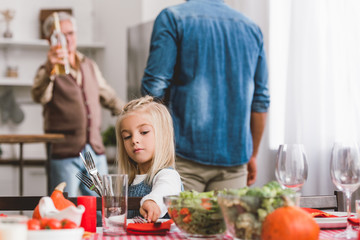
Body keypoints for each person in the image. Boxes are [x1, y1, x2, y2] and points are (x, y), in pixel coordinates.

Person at [141, 0, 270, 192]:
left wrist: (153, 147)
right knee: (227, 222)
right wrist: (253, 155)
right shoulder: (251, 28)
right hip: (234, 160)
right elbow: (260, 101)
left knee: (180, 222)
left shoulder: (173, 18)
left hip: (182, 157)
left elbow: (154, 89)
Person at [31, 11, 124, 197]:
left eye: (70, 33)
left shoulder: (89, 65)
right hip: (65, 154)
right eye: (60, 35)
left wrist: (134, 112)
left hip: (94, 152)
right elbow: (39, 96)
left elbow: (110, 97)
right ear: (50, 40)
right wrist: (50, 69)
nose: (67, 39)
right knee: (63, 205)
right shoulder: (46, 69)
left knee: (101, 208)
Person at [116, 95, 182, 222]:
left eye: (144, 132)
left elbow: (166, 190)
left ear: (163, 135)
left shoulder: (167, 175)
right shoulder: (129, 182)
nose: (134, 140)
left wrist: (153, 202)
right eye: (127, 136)